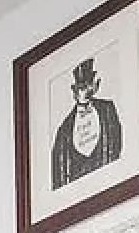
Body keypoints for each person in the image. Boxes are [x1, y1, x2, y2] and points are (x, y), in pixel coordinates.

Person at [50, 56, 122, 188]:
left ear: (95, 86)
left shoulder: (107, 110)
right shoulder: (64, 129)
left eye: (87, 86)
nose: (84, 92)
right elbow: (59, 173)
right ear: (74, 90)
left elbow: (115, 145)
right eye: (80, 87)